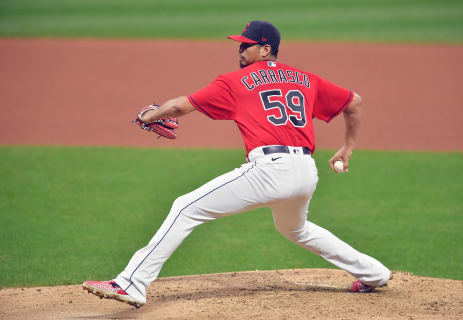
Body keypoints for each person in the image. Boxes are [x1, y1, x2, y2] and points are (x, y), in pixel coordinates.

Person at [83, 20, 391, 308]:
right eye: (239, 45)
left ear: (266, 49)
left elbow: (179, 106)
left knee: (185, 207)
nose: (239, 50)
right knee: (295, 229)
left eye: (246, 45)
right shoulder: (305, 78)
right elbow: (355, 102)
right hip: (306, 173)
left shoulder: (236, 81)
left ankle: (130, 283)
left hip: (271, 170)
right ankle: (374, 273)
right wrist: (348, 147)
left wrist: (147, 116)